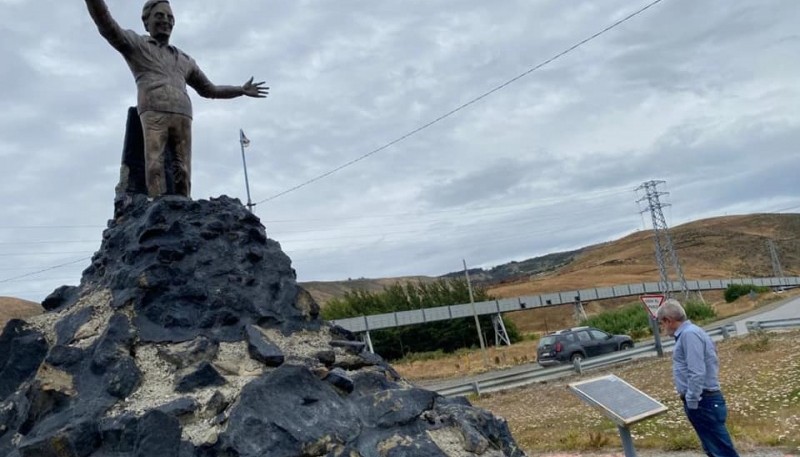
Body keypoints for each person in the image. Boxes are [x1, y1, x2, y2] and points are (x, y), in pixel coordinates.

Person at [85, 0, 268, 198]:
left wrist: (240, 89)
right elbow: (106, 24)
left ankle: (184, 208)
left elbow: (210, 89)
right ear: (146, 22)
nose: (166, 21)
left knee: (184, 171)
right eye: (160, 16)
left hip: (183, 115)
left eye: (170, 18)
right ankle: (158, 209)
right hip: (154, 111)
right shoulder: (136, 44)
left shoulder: (185, 59)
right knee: (155, 165)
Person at [657, 298, 740, 457]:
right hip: (704, 400)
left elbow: (697, 371)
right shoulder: (691, 332)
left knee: (721, 451)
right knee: (714, 449)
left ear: (668, 320)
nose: (662, 328)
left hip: (703, 401)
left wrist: (692, 400)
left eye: (662, 323)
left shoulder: (689, 335)